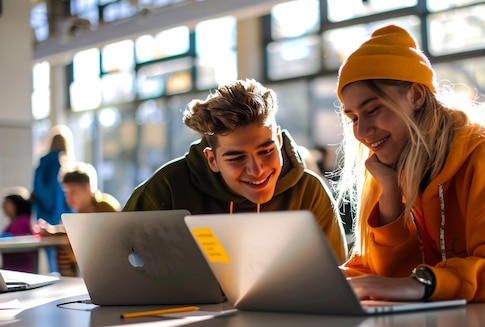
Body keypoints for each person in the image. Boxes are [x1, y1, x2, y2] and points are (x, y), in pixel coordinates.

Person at [333, 24, 485, 306]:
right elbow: (388, 278)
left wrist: (426, 283)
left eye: (372, 110)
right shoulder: (388, 167)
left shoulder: (480, 152)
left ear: (416, 96)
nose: (361, 132)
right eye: (353, 118)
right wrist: (389, 194)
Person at [123, 79, 347, 262]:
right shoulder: (167, 188)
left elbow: (338, 277)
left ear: (278, 140)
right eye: (237, 158)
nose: (257, 170)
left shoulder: (309, 191)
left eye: (267, 151)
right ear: (212, 160)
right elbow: (119, 263)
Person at [34, 162, 122, 276]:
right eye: (66, 193)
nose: (69, 198)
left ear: (87, 188)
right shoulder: (78, 214)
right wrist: (52, 231)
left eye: (73, 192)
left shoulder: (105, 207)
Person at [31, 125, 74, 273]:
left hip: (46, 217)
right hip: (64, 219)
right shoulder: (66, 165)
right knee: (66, 261)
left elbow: (39, 191)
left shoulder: (42, 164)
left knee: (52, 261)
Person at [1, 189, 35, 273]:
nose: (3, 207)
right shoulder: (13, 222)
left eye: (6, 203)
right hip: (12, 266)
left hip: (20, 267)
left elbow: (12, 237)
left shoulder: (22, 221)